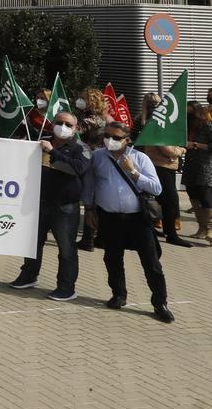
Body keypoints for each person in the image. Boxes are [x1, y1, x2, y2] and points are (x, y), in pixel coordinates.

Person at [84, 120, 174, 323]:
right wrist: (89, 208)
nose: (110, 140)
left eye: (116, 138)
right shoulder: (98, 156)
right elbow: (89, 183)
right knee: (112, 258)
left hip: (138, 219)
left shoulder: (140, 158)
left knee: (151, 262)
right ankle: (119, 294)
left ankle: (160, 303)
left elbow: (156, 188)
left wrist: (133, 171)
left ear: (127, 140)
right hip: (110, 217)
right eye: (107, 136)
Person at [10, 111, 88, 301]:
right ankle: (28, 276)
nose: (63, 127)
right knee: (32, 244)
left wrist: (53, 152)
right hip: (39, 202)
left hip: (65, 207)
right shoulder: (41, 141)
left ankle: (66, 288)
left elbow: (79, 168)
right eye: (59, 122)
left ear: (75, 128)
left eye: (68, 125)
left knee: (66, 249)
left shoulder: (80, 148)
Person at [141, 124, 193, 248]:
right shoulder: (159, 128)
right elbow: (169, 151)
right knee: (170, 201)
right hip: (161, 167)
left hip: (165, 167)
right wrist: (182, 150)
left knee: (163, 201)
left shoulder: (160, 127)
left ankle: (157, 229)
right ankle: (171, 234)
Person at [185, 103, 212, 242]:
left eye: (190, 112)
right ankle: (201, 228)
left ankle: (209, 229)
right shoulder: (187, 127)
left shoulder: (207, 125)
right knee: (193, 195)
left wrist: (195, 145)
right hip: (190, 165)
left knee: (205, 197)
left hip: (204, 167)